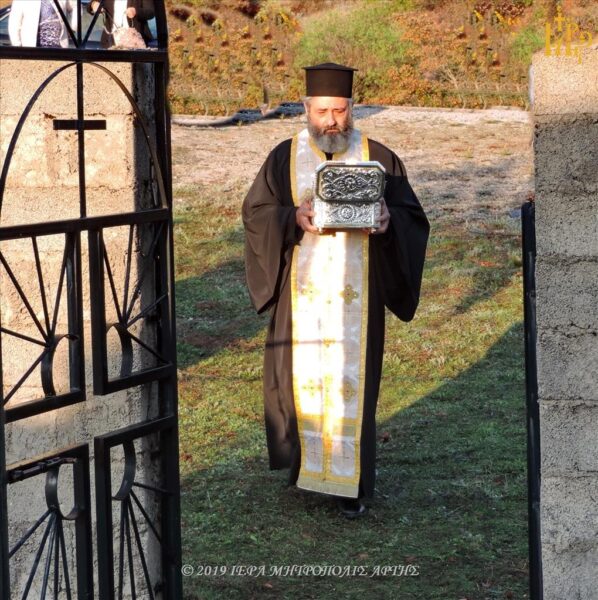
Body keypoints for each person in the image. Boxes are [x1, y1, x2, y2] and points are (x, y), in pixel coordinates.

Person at [242, 63, 430, 518]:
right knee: (300, 382)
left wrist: (388, 224)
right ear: (306, 109)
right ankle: (307, 469)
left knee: (352, 383)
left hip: (356, 298)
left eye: (340, 111)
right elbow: (256, 213)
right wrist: (291, 218)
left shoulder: (379, 157)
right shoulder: (283, 158)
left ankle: (350, 485)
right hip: (302, 296)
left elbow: (412, 219)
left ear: (352, 108)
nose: (331, 121)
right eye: (323, 111)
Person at [8, 0, 78, 48]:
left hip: (59, 49)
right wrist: (18, 47)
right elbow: (14, 23)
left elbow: (77, 6)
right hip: (32, 49)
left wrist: (73, 28)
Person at [88, 0, 154, 48]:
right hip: (110, 42)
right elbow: (90, 5)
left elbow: (151, 11)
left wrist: (136, 11)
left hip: (135, 42)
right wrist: (93, 5)